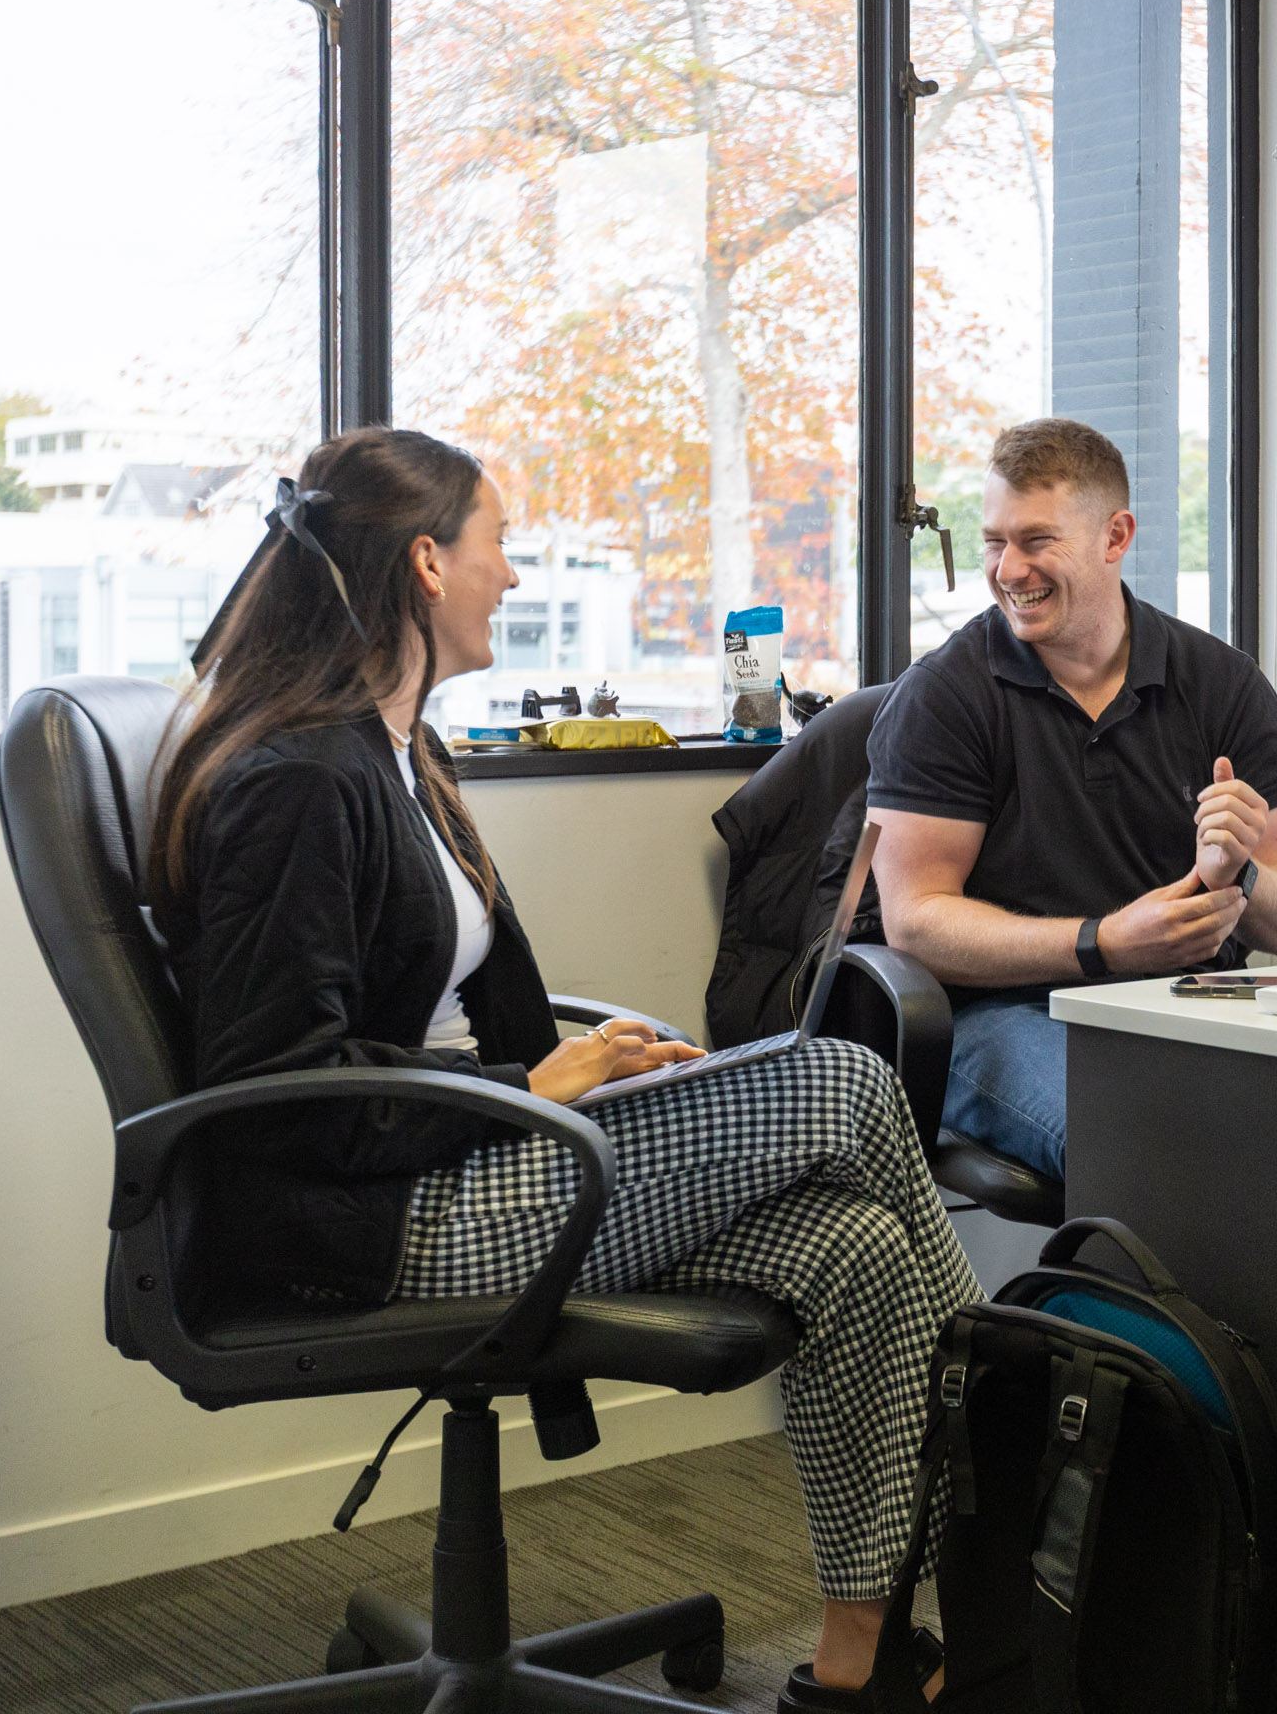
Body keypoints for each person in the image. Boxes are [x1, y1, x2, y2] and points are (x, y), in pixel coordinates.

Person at [146, 427, 975, 1713]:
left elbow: (455, 1018)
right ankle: (1009, 1530)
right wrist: (528, 1087)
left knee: (853, 1246)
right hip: (379, 1223)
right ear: (427, 563)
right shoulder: (298, 778)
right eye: (500, 547)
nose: (514, 577)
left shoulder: (396, 749)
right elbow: (277, 1089)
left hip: (467, 1164)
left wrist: (589, 1063)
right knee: (845, 1081)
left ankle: (857, 1667)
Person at [866, 418, 1277, 1182]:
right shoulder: (943, 697)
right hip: (1008, 1011)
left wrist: (1238, 871)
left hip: (1193, 995)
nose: (1008, 569)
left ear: (1115, 537)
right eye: (993, 542)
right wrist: (1103, 943)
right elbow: (915, 924)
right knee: (1159, 1144)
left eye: (1036, 541)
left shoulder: (1223, 683)